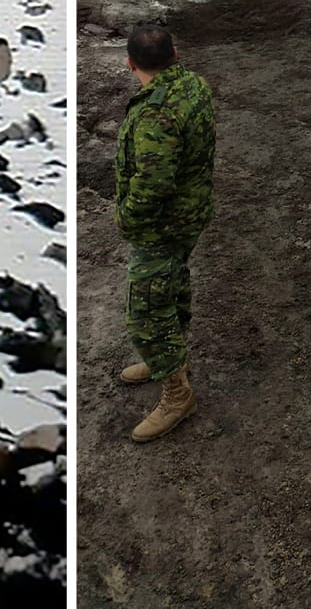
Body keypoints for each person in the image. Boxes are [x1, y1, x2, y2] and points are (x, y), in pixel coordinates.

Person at [113, 24, 215, 443]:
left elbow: (153, 184)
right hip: (190, 215)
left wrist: (128, 219)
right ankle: (169, 360)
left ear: (130, 64)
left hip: (163, 225)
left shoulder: (156, 112)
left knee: (146, 312)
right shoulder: (193, 85)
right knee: (172, 286)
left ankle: (176, 394)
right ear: (175, 53)